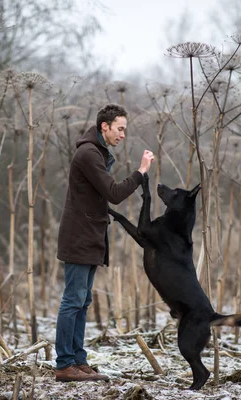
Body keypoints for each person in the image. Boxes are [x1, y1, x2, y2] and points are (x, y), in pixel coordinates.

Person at [54, 104, 154, 382]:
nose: (123, 134)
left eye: (125, 129)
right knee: (72, 301)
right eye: (120, 128)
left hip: (89, 235)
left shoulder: (95, 152)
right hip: (79, 236)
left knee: (82, 301)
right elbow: (114, 193)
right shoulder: (88, 154)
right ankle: (64, 365)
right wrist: (141, 171)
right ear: (105, 127)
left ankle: (77, 360)